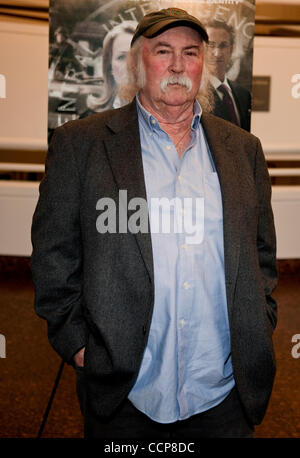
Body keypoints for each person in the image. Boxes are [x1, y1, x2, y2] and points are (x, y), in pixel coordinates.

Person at [31, 8, 278, 439]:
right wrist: (79, 346)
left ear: (204, 64)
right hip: (125, 392)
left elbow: (261, 254)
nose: (178, 65)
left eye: (191, 53)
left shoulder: (244, 150)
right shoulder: (80, 146)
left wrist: (260, 319)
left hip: (222, 393)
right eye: (163, 51)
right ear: (137, 63)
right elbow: (54, 257)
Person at [205, 20, 252, 131]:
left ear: (231, 50)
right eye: (211, 45)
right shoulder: (195, 95)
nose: (217, 53)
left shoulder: (244, 95)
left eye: (223, 45)